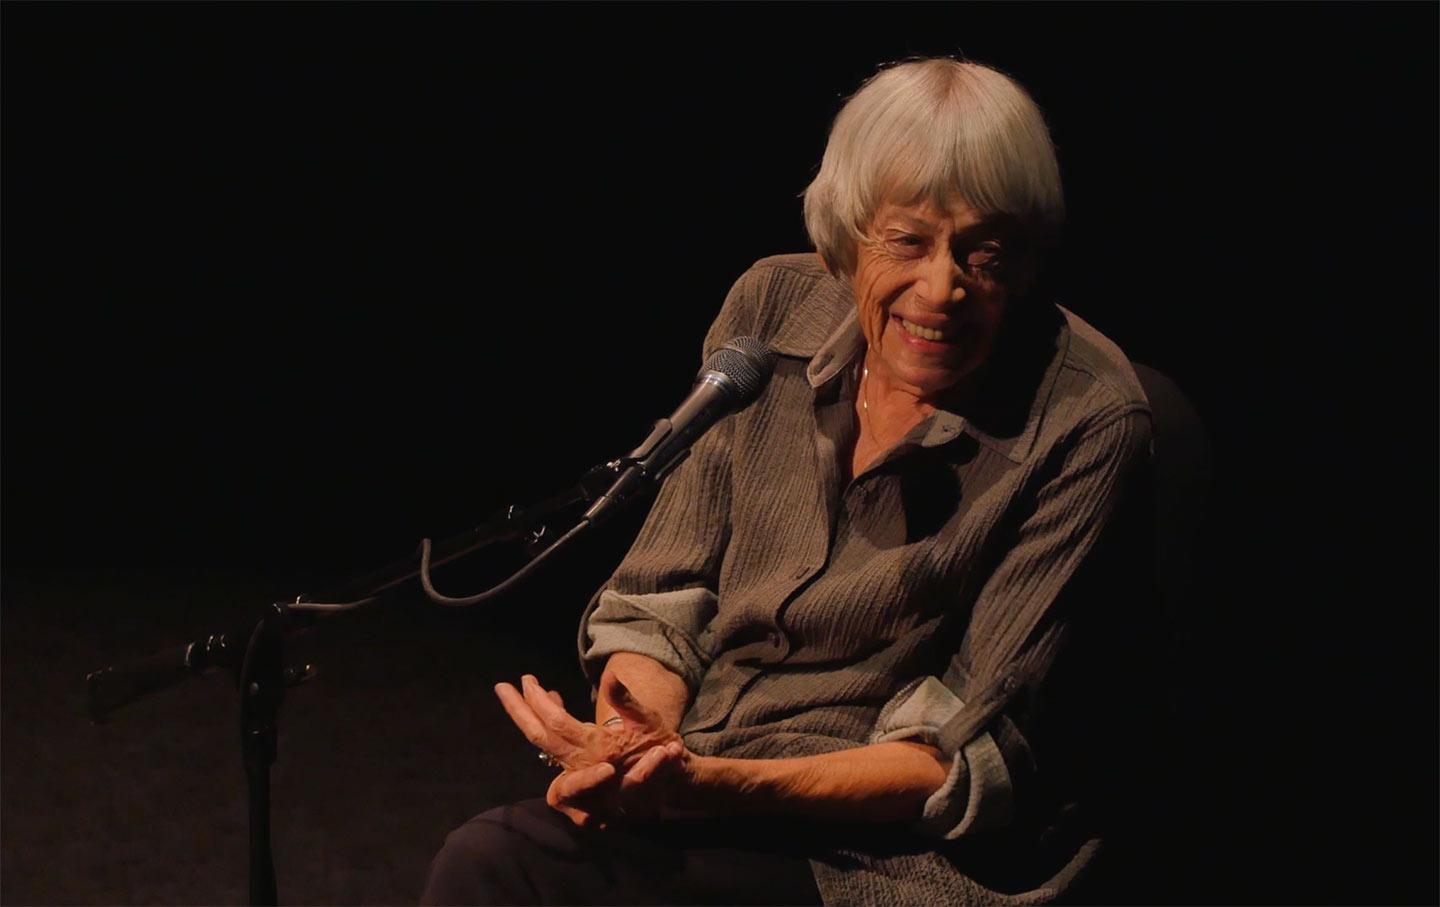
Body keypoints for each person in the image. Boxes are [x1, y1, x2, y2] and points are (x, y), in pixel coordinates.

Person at [421, 56, 1157, 906]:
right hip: (709, 770)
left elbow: (959, 753)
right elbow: (664, 593)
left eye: (985, 252)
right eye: (908, 241)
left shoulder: (1088, 418)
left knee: (515, 870)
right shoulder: (771, 308)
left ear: (1026, 261)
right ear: (847, 231)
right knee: (497, 854)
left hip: (888, 853)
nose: (943, 287)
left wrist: (713, 785)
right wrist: (635, 739)